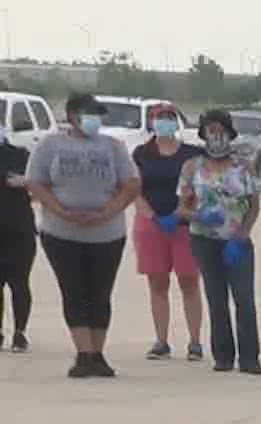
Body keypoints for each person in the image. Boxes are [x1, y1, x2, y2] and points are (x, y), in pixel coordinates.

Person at [27, 93, 139, 378]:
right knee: (74, 291)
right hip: (61, 233)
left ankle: (98, 354)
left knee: (100, 293)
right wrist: (61, 211)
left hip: (107, 235)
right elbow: (36, 183)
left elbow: (131, 185)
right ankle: (84, 354)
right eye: (89, 114)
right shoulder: (50, 146)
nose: (95, 120)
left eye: (98, 115)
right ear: (72, 115)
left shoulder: (113, 147)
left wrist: (106, 213)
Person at [178, 109, 261, 375]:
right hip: (204, 240)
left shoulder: (243, 166)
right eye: (210, 131)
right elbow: (182, 208)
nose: (216, 136)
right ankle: (223, 356)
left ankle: (250, 358)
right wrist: (199, 215)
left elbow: (253, 205)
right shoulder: (192, 167)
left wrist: (243, 233)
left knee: (244, 299)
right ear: (203, 134)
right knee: (216, 298)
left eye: (221, 130)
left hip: (236, 241)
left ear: (230, 134)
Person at [130, 103, 204, 362]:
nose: (165, 122)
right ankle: (161, 340)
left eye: (170, 117)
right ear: (151, 122)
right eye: (160, 117)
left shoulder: (192, 153)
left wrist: (180, 212)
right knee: (157, 282)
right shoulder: (142, 153)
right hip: (151, 224)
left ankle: (195, 341)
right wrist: (152, 216)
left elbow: (201, 187)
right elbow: (134, 189)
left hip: (184, 224)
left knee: (189, 281)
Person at [0, 122, 33, 352]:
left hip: (19, 227)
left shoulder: (21, 155)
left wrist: (26, 182)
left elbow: (41, 182)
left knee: (20, 282)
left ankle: (20, 332)